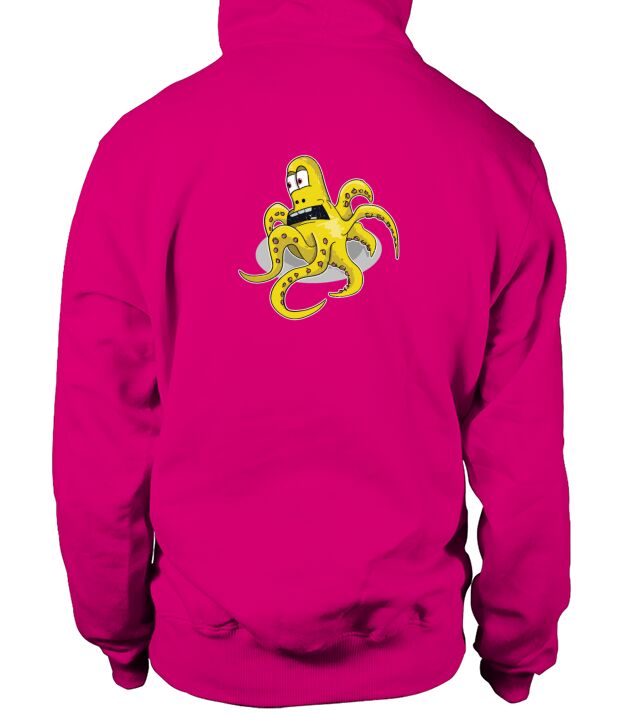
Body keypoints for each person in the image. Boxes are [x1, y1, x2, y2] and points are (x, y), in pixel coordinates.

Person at [53, 0, 570, 706]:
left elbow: (101, 430)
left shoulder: (138, 153)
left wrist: (116, 628)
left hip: (201, 649)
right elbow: (522, 445)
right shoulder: (495, 157)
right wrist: (516, 645)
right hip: (415, 659)